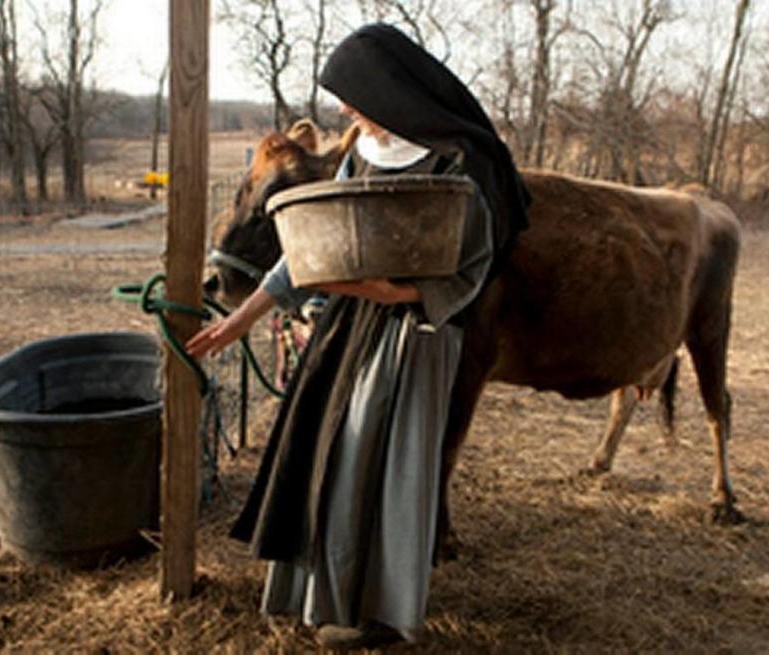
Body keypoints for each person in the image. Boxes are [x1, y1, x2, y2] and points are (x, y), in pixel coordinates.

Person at [186, 23, 529, 649]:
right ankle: (317, 593)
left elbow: (474, 262)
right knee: (323, 447)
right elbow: (310, 249)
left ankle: (381, 614)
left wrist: (398, 294)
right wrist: (242, 319)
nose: (344, 109)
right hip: (346, 327)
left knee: (386, 462)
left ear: (386, 89)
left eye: (352, 95)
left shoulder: (455, 159)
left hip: (413, 335)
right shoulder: (358, 155)